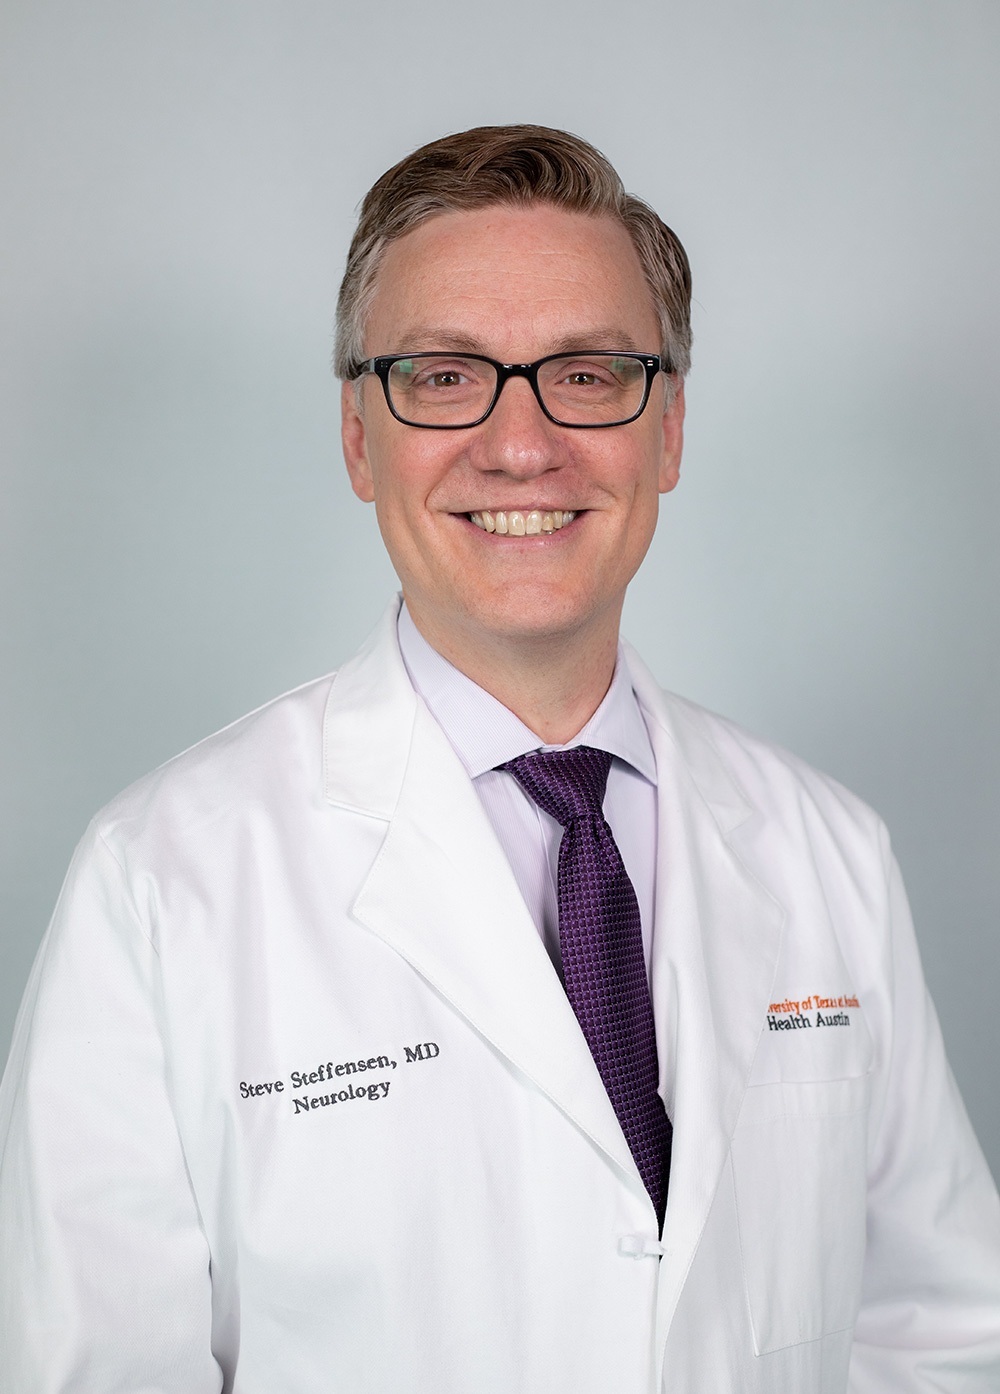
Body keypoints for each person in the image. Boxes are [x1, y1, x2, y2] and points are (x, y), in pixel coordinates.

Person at [1, 124, 998, 1394]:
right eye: (445, 373)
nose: (521, 444)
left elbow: (937, 1336)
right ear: (361, 438)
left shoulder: (828, 852)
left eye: (586, 375)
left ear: (670, 432)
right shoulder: (162, 883)